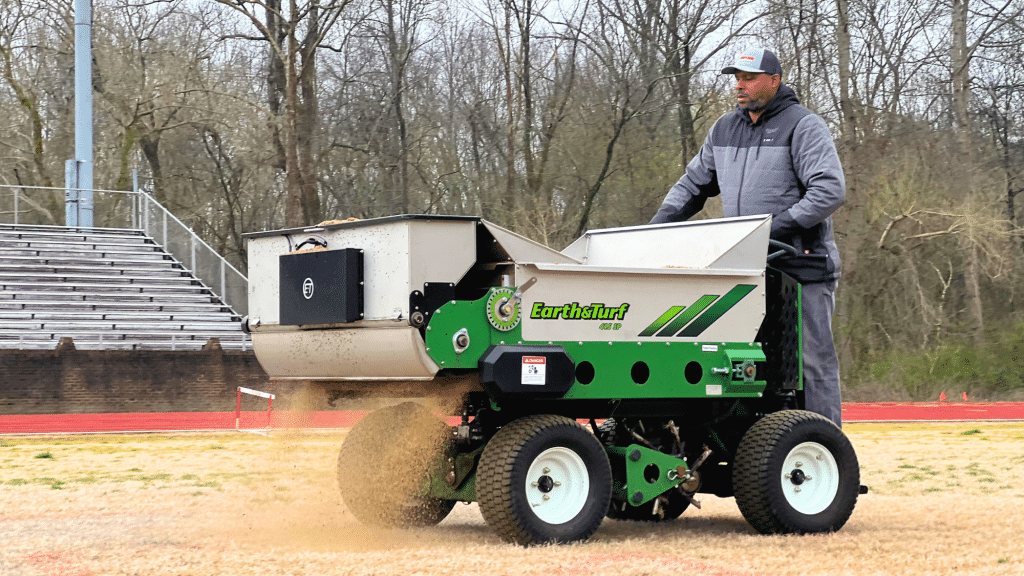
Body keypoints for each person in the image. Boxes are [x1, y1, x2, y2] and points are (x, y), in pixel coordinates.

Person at [649, 47, 845, 427]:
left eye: (749, 77)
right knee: (745, 366)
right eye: (736, 78)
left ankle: (826, 453)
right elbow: (693, 185)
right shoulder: (723, 129)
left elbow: (828, 192)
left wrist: (768, 229)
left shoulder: (803, 126)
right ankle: (765, 454)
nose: (740, 85)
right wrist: (657, 229)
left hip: (801, 268)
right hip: (746, 269)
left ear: (774, 81)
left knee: (810, 363)